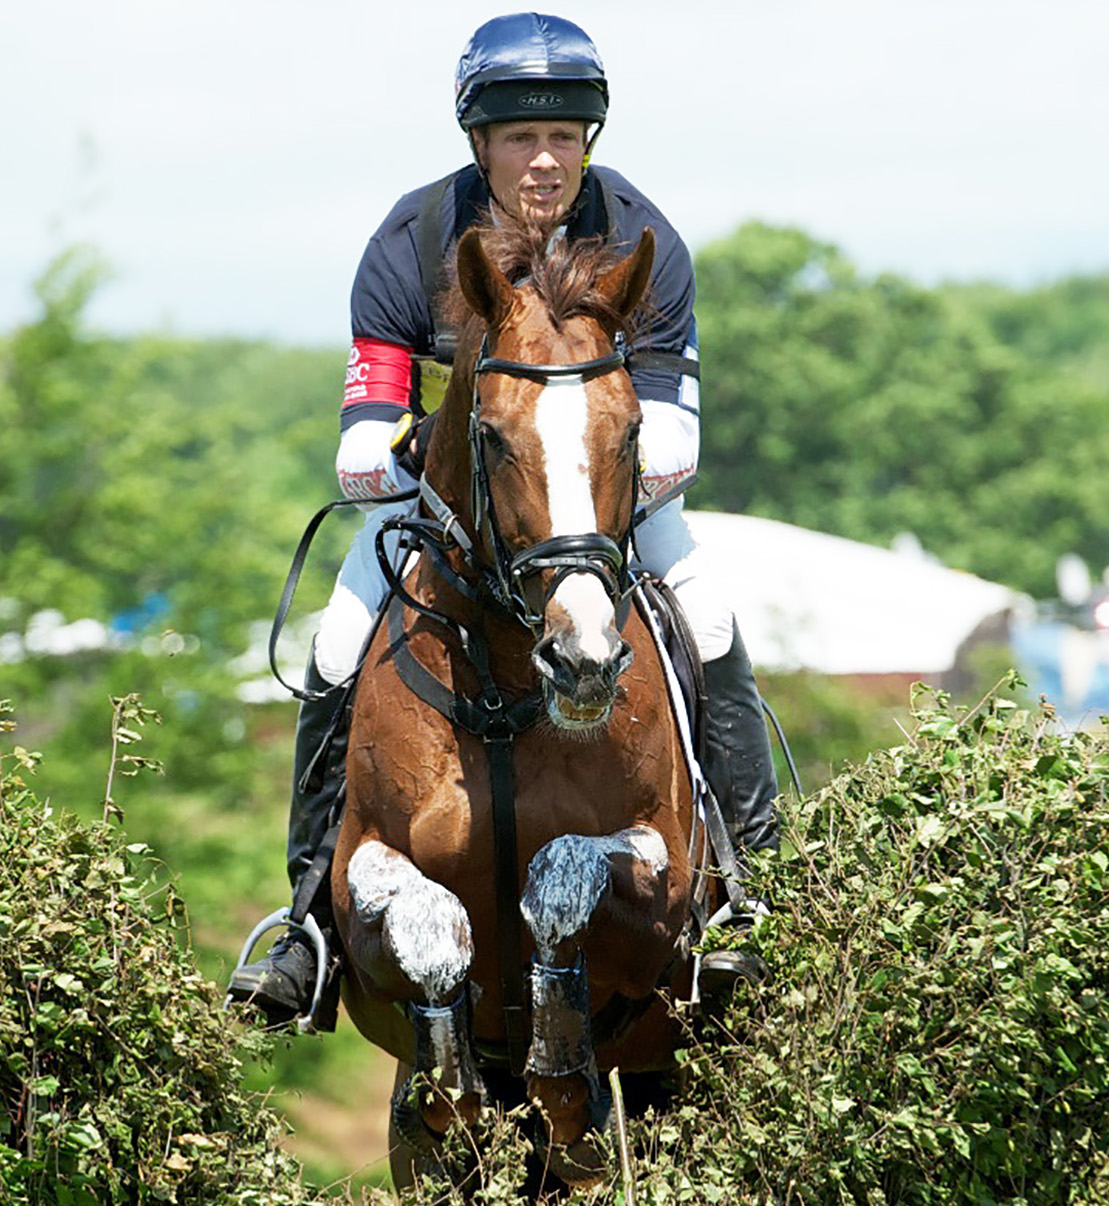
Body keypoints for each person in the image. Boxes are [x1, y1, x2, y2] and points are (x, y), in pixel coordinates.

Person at [228, 12, 778, 1023]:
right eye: (522, 138)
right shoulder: (413, 240)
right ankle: (308, 923)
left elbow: (676, 439)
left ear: (590, 141)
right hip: (449, 505)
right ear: (479, 141)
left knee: (710, 623)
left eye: (565, 136)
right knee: (337, 647)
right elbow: (361, 437)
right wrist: (428, 458)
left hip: (602, 507)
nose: (544, 160)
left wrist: (570, 487)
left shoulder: (640, 237)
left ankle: (756, 893)